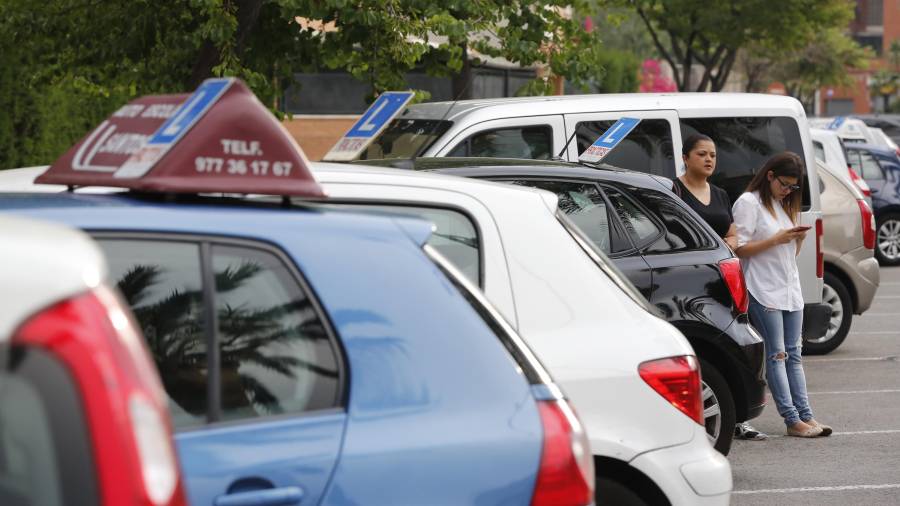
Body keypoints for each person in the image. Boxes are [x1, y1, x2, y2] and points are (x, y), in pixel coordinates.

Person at [674, 134, 767, 441]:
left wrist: (726, 244)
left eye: (713, 154)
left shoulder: (720, 194)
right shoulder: (673, 190)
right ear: (686, 158)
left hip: (722, 280)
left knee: (732, 347)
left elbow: (733, 233)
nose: (709, 159)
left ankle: (740, 417)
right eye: (702, 154)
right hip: (684, 280)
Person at [732, 152, 832, 438]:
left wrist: (797, 239)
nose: (788, 191)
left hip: (789, 289)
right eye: (784, 184)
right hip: (763, 288)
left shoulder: (783, 204)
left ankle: (806, 416)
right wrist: (777, 239)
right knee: (776, 355)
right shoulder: (748, 203)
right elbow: (738, 249)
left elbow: (789, 253)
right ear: (770, 176)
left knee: (794, 355)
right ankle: (792, 420)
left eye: (793, 187)